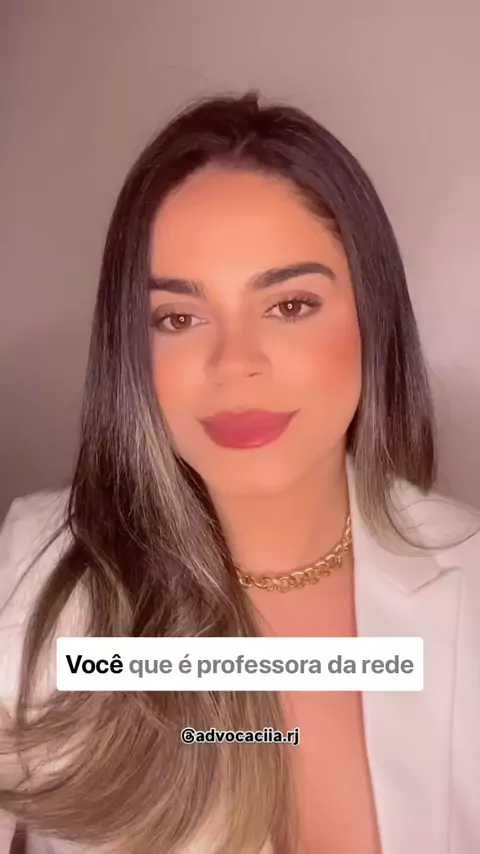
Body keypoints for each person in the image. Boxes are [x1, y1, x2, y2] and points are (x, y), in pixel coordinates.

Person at [0, 92, 479, 854]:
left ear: (372, 316)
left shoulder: (470, 577)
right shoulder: (32, 572)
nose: (234, 363)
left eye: (289, 306)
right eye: (179, 318)